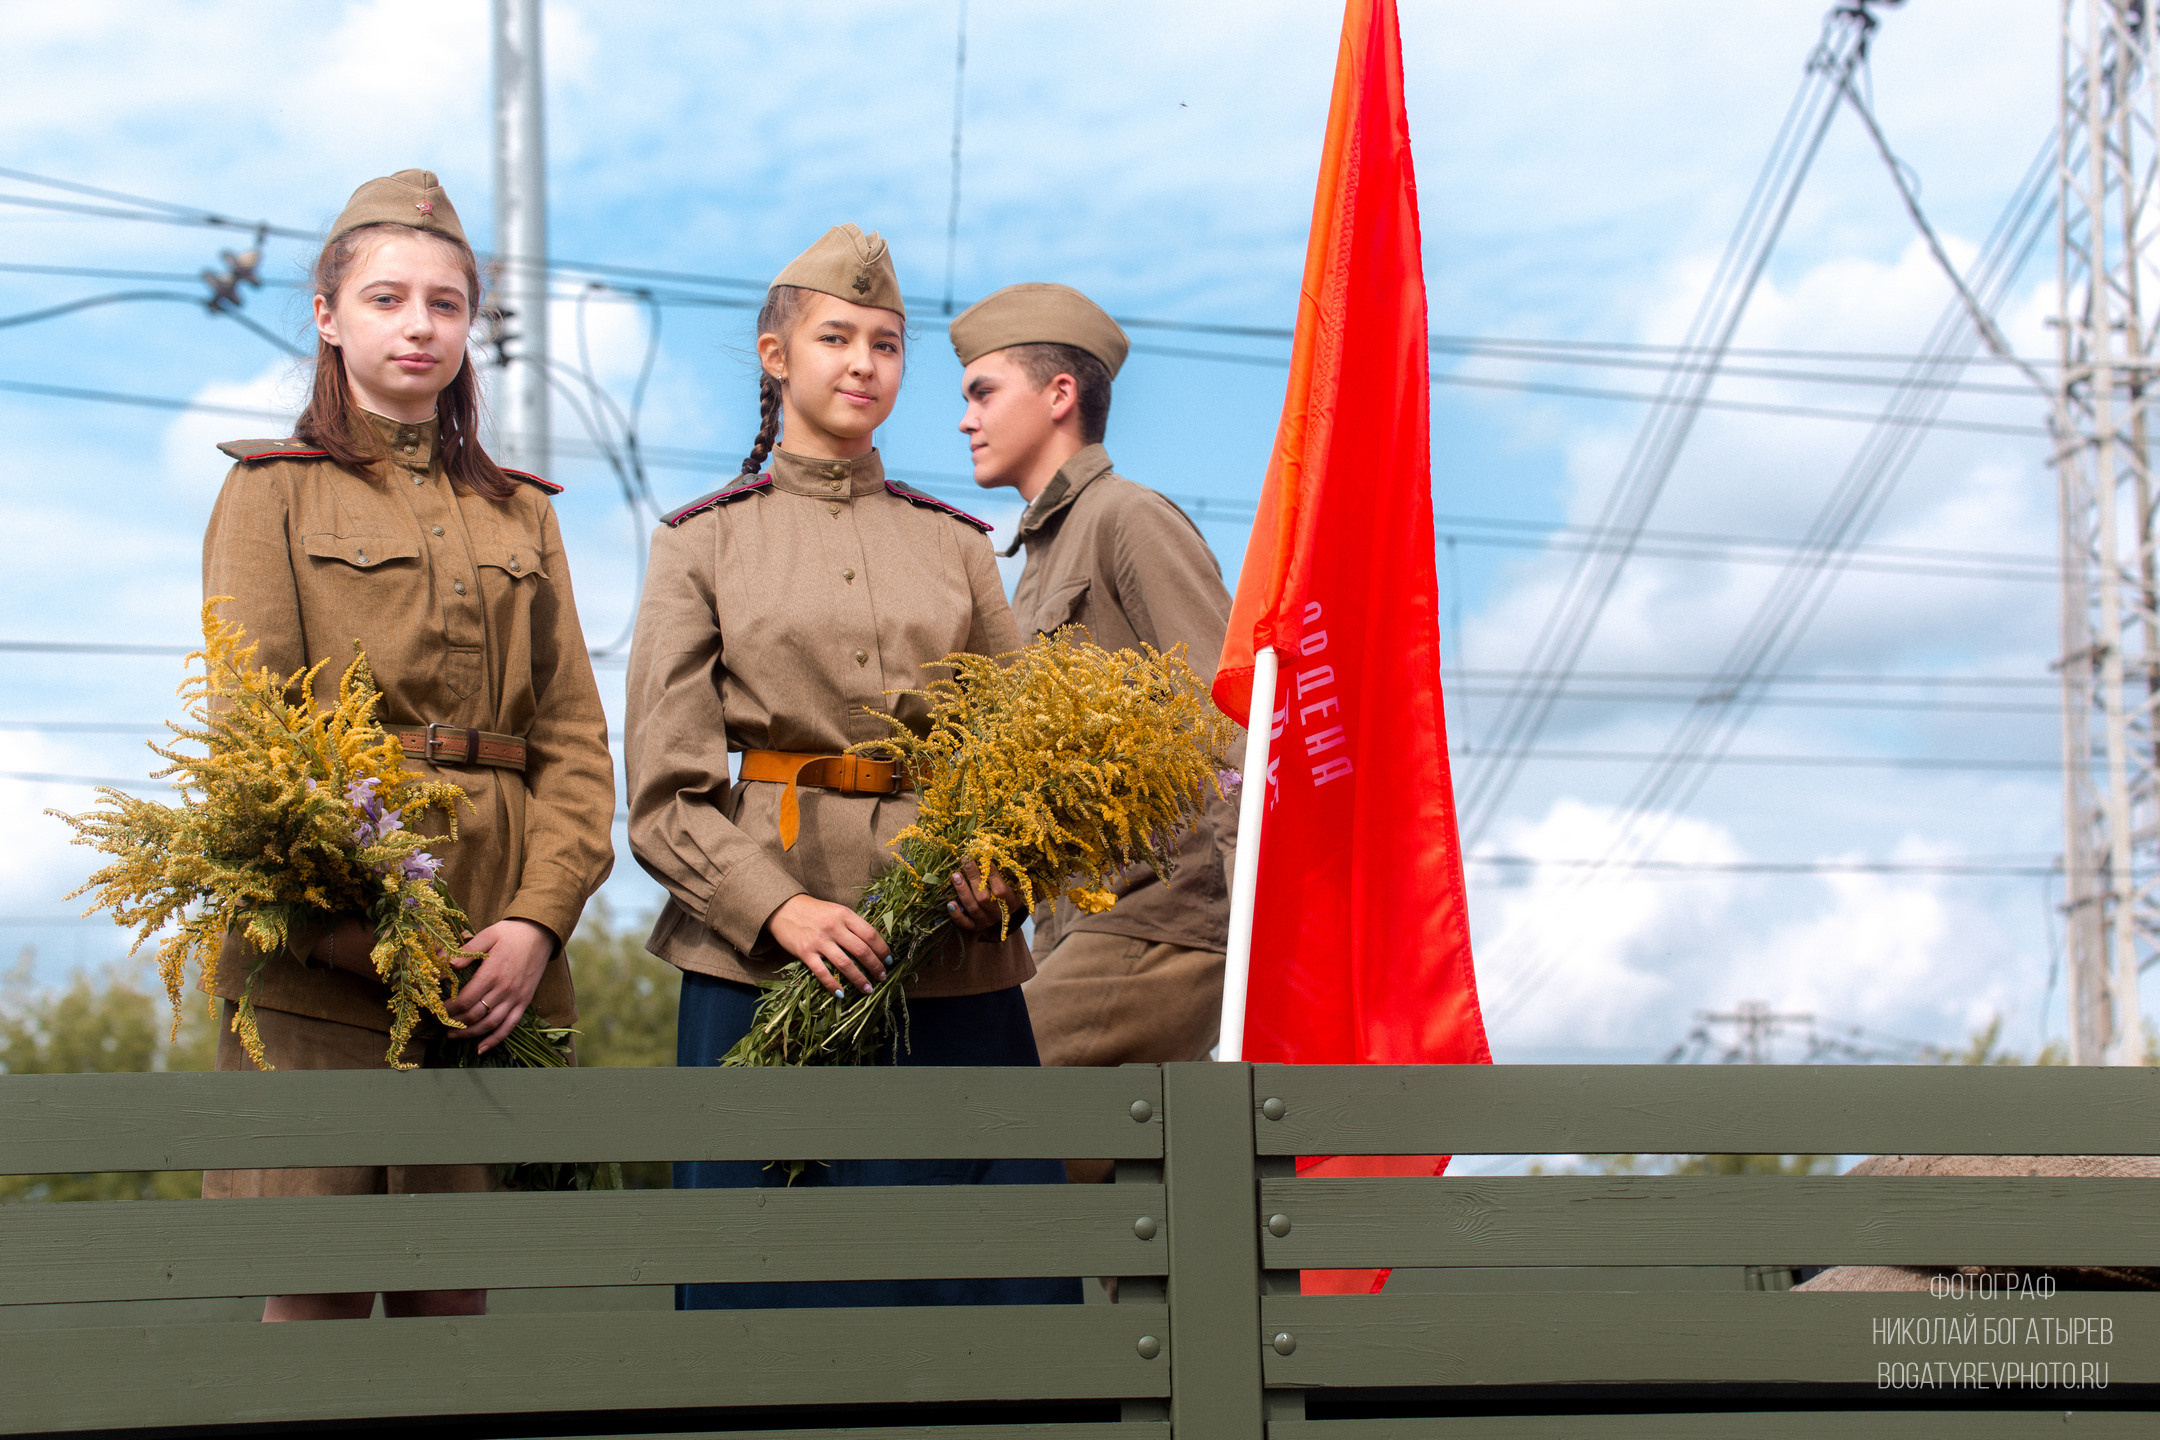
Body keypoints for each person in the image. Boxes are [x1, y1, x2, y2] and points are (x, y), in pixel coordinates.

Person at [625, 224, 1077, 1309]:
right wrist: (777, 912)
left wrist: (1004, 872)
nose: (863, 363)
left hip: (954, 958)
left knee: (988, 1276)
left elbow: (1021, 754)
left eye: (886, 342)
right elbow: (663, 790)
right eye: (836, 337)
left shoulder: (959, 546)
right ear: (778, 357)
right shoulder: (702, 544)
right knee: (765, 1278)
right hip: (757, 969)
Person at [198, 169, 616, 1320]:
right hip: (321, 956)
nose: (420, 325)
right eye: (387, 299)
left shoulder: (523, 513)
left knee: (452, 1307)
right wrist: (368, 936)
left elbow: (573, 740)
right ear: (329, 317)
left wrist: (534, 923)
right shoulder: (268, 497)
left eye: (445, 302)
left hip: (493, 962)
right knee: (312, 1303)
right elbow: (254, 741)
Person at [951, 284, 1239, 1159]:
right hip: (1082, 932)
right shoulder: (1036, 564)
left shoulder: (1128, 519)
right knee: (1105, 1225)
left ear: (1059, 395)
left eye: (982, 391)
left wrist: (1255, 929)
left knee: (981, 1117)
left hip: (1162, 923)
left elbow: (1229, 720)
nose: (966, 419)